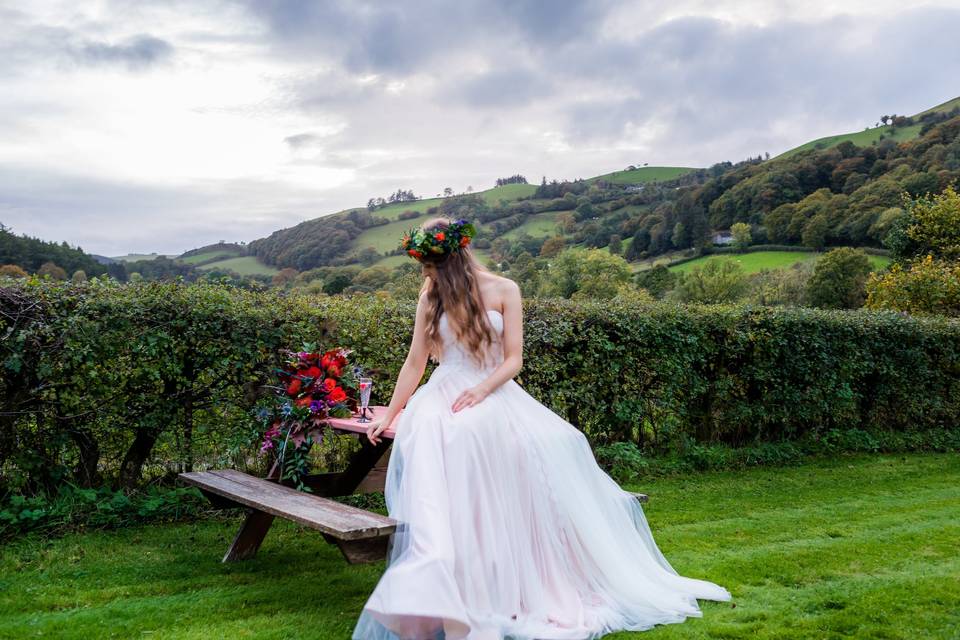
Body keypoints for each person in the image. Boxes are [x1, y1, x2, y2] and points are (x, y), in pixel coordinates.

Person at [352, 217, 731, 640]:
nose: (426, 274)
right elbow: (414, 362)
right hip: (442, 395)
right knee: (451, 456)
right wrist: (390, 414)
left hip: (492, 389)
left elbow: (513, 358)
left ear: (454, 258)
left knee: (559, 442)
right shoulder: (431, 296)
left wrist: (482, 389)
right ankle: (454, 587)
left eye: (431, 265)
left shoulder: (505, 289)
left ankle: (522, 580)